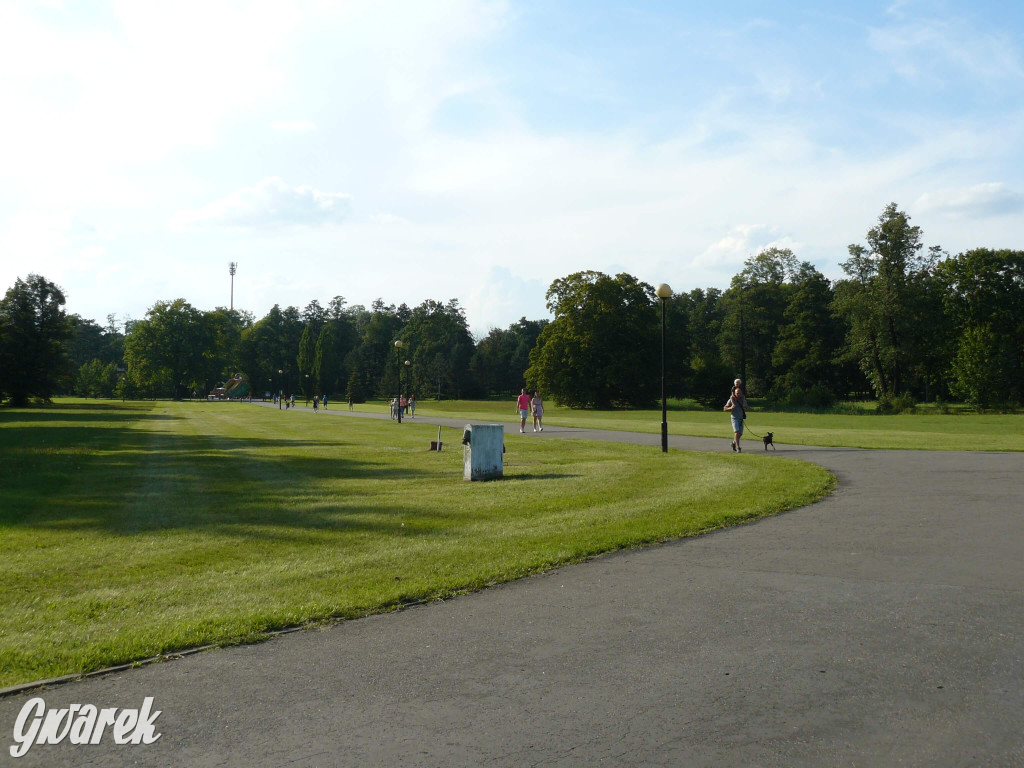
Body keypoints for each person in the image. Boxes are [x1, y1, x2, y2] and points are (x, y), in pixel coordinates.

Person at [723, 384, 748, 452]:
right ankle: (738, 447)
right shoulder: (731, 400)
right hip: (734, 418)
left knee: (740, 434)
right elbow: (724, 409)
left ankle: (733, 443)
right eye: (737, 393)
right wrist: (731, 407)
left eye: (740, 392)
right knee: (736, 432)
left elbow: (746, 408)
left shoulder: (743, 399)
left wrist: (745, 407)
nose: (739, 394)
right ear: (734, 393)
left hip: (741, 418)